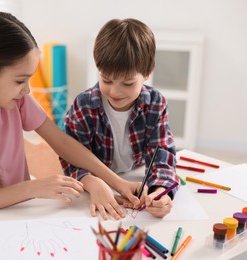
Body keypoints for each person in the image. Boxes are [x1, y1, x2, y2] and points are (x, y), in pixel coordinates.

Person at [0, 12, 141, 226]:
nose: (27, 90)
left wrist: (117, 182)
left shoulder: (16, 99)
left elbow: (63, 143)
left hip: (19, 218)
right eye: (20, 81)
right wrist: (32, 188)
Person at [60, 18, 179, 218]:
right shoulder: (84, 105)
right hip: (96, 183)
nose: (115, 91)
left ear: (147, 73)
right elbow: (70, 159)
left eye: (128, 83)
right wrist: (90, 181)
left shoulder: (155, 103)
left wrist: (161, 191)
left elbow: (162, 155)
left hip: (137, 177)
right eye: (106, 79)